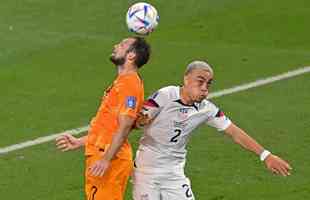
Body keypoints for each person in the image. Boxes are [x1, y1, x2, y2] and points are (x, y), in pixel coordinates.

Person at [133, 60, 292, 200]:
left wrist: (266, 155)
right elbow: (136, 121)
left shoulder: (207, 109)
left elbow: (234, 132)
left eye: (208, 84)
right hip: (146, 172)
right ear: (186, 79)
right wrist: (140, 120)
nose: (204, 88)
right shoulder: (165, 95)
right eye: (200, 81)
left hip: (174, 174)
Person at [55, 36, 151, 200]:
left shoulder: (129, 83)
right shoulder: (122, 82)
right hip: (101, 153)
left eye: (121, 45)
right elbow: (109, 126)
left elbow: (125, 126)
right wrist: (81, 141)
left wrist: (107, 159)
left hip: (110, 159)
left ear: (131, 55)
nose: (116, 46)